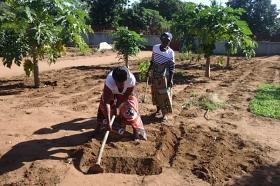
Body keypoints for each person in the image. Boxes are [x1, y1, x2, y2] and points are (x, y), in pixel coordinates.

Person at [94, 66, 147, 141]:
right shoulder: (109, 81)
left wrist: (118, 106)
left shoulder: (131, 80)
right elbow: (107, 102)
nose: (120, 85)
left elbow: (125, 96)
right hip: (111, 94)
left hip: (126, 96)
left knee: (131, 111)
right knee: (103, 106)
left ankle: (136, 132)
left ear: (126, 80)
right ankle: (99, 127)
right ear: (114, 80)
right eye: (118, 83)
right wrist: (109, 122)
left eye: (122, 83)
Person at [147, 32, 175, 120]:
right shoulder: (155, 48)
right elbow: (152, 61)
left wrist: (170, 80)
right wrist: (148, 71)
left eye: (167, 41)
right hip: (154, 75)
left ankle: (165, 114)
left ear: (170, 42)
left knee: (164, 95)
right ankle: (158, 110)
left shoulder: (171, 53)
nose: (165, 42)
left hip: (164, 77)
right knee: (155, 94)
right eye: (164, 40)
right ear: (161, 40)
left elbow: (171, 69)